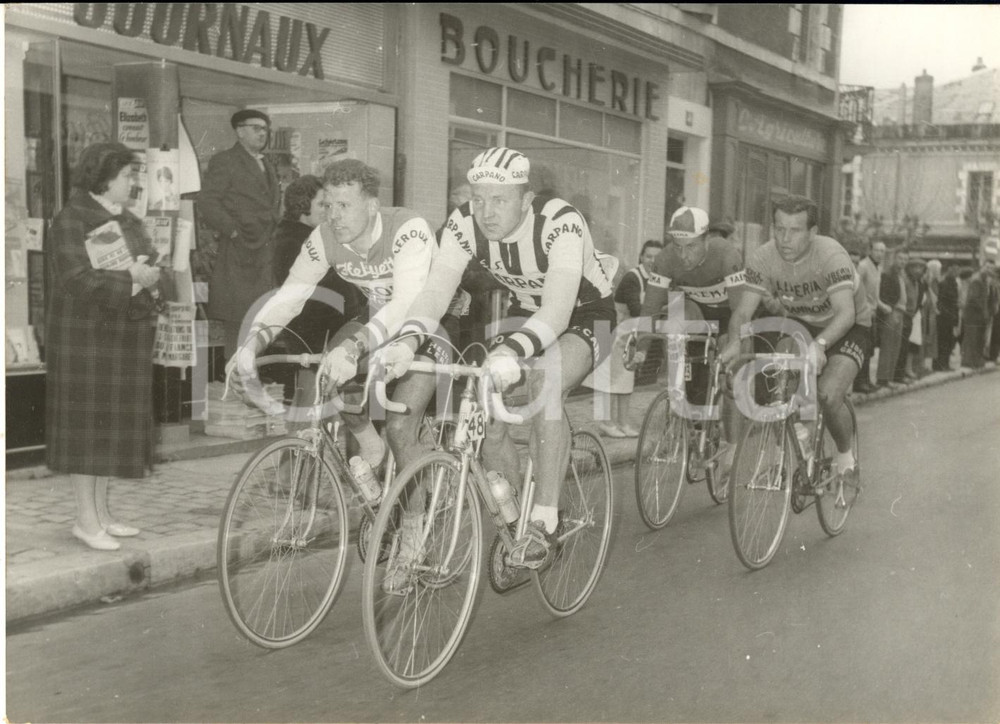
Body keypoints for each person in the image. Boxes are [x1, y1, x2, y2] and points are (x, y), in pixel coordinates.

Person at [377, 146, 616, 575]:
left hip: (585, 314)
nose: (486, 212)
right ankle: (514, 520)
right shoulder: (463, 223)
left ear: (526, 200)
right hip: (526, 313)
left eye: (499, 200)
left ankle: (544, 520)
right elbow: (436, 291)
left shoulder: (559, 221)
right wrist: (408, 341)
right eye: (478, 198)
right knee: (483, 407)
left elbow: (558, 310)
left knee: (545, 381)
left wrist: (510, 351)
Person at [227, 158, 444, 480]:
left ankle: (414, 507)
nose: (334, 216)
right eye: (328, 205)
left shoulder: (408, 228)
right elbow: (288, 299)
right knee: (331, 373)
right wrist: (249, 346)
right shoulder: (323, 237)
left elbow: (406, 303)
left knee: (400, 428)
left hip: (429, 321)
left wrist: (354, 348)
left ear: (372, 206)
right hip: (377, 313)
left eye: (344, 205)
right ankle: (371, 445)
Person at [45, 142, 163, 551]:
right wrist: (134, 279)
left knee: (106, 431)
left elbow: (145, 263)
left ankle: (101, 513)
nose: (133, 183)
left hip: (118, 338)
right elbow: (77, 279)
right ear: (104, 177)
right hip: (84, 339)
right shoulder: (70, 219)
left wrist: (149, 275)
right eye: (127, 175)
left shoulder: (125, 219)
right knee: (86, 433)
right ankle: (85, 519)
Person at [719, 195, 872, 487]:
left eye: (795, 230)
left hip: (848, 326)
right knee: (777, 387)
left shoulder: (831, 255)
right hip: (801, 323)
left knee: (828, 395)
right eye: (779, 229)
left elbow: (846, 313)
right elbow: (743, 312)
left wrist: (820, 345)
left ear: (812, 233)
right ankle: (789, 452)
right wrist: (735, 341)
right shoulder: (763, 257)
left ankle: (845, 457)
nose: (785, 239)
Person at [631, 207, 745, 482]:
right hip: (696, 311)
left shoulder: (726, 254)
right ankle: (683, 401)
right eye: (678, 246)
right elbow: (651, 305)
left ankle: (732, 445)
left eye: (691, 247)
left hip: (729, 315)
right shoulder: (666, 258)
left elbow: (741, 310)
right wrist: (641, 347)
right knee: (675, 322)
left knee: (730, 375)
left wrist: (735, 343)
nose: (684, 255)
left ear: (706, 239)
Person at [269, 174, 360, 412]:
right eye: (322, 204)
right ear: (302, 207)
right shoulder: (295, 241)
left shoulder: (297, 237)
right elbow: (323, 291)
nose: (328, 211)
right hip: (317, 334)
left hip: (315, 333)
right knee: (315, 403)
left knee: (315, 401)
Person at [198, 109, 281, 358]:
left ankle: (253, 369)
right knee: (238, 319)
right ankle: (235, 371)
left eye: (265, 129)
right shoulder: (226, 160)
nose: (262, 133)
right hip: (240, 250)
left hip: (265, 251)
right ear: (240, 131)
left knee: (260, 318)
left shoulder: (266, 163)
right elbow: (208, 202)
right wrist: (233, 231)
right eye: (256, 128)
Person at [588, 239, 662, 438]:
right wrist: (661, 312)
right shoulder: (633, 278)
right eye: (648, 256)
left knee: (626, 378)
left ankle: (622, 422)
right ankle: (605, 423)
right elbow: (637, 309)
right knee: (607, 379)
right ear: (641, 257)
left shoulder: (657, 280)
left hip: (630, 333)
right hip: (612, 329)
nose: (652, 261)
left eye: (656, 257)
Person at [875, 247, 909, 389]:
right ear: (894, 259)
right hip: (892, 311)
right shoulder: (888, 274)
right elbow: (884, 293)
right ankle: (883, 379)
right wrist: (889, 308)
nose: (903, 262)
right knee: (888, 346)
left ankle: (890, 377)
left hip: (901, 312)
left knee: (896, 346)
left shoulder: (902, 275)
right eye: (900, 258)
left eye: (905, 259)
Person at [855, 240, 886, 392]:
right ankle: (859, 383)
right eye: (877, 250)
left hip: (872, 313)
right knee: (862, 348)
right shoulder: (863, 266)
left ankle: (867, 380)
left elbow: (876, 295)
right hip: (862, 312)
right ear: (870, 251)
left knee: (869, 348)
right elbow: (856, 288)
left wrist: (882, 306)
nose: (879, 254)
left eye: (882, 251)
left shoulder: (878, 268)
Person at [961, 247, 998, 368]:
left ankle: (976, 360)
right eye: (987, 269)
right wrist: (984, 311)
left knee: (978, 339)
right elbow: (975, 299)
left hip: (980, 315)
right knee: (972, 338)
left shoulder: (985, 280)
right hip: (973, 315)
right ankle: (969, 362)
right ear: (983, 268)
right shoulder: (977, 280)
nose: (989, 272)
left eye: (991, 270)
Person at [935, 263, 960, 371]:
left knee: (949, 341)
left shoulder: (954, 283)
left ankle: (945, 363)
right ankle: (940, 365)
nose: (956, 272)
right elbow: (941, 301)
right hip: (944, 317)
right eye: (954, 270)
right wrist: (946, 314)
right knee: (943, 342)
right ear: (949, 270)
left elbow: (955, 302)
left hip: (951, 317)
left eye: (958, 270)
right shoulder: (944, 284)